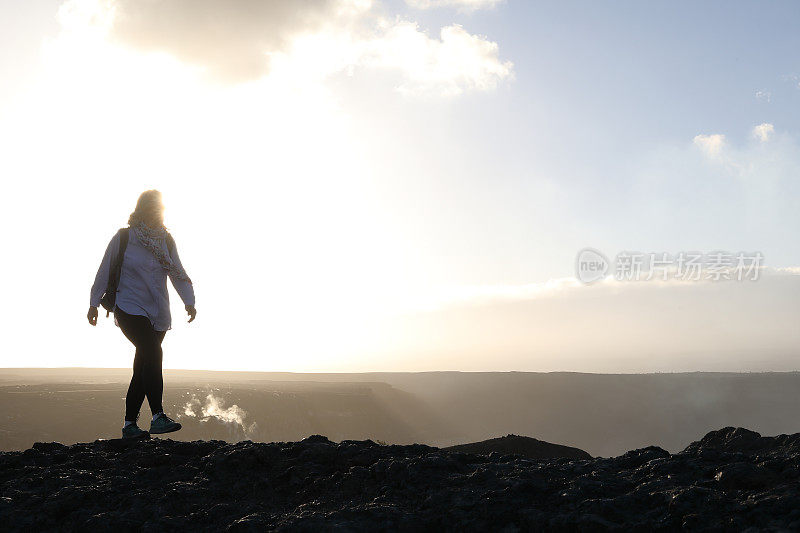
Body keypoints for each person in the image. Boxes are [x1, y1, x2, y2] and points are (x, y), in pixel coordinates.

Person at [87, 190, 197, 439]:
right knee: (153, 352)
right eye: (151, 208)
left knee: (143, 366)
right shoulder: (125, 238)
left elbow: (178, 272)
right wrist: (94, 303)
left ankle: (129, 426)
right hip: (129, 307)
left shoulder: (165, 241)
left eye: (159, 208)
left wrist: (189, 301)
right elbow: (104, 270)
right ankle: (157, 416)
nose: (156, 213)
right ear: (141, 210)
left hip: (158, 312)